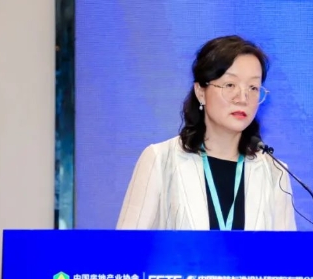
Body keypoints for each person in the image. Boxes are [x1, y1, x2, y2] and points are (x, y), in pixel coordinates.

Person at [116, 35, 296, 231]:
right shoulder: (160, 160)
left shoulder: (275, 173)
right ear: (201, 92)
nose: (243, 98)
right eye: (230, 85)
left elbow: (285, 250)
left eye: (253, 87)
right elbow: (127, 246)